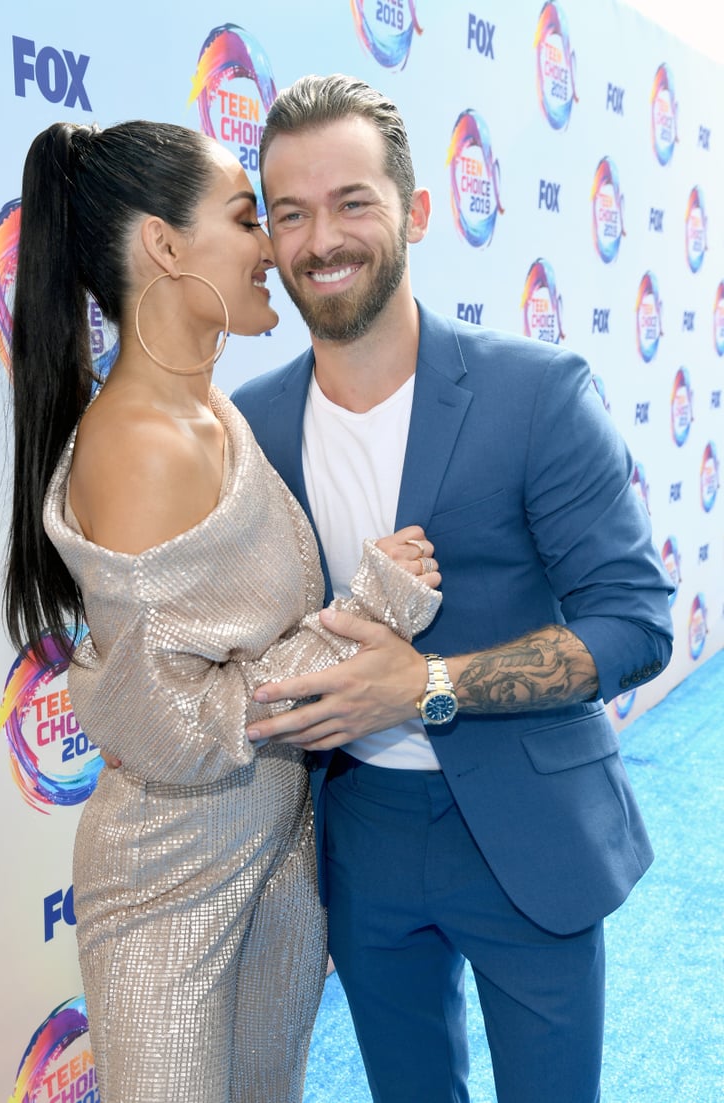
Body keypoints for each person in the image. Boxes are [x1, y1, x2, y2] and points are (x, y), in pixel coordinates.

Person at [231, 75, 675, 1103]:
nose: (320, 239)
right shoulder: (248, 426)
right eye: (289, 212)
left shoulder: (537, 393)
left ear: (418, 211)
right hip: (361, 837)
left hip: (529, 827)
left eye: (352, 202)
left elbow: (635, 622)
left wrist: (429, 681)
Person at [3, 118, 442, 1103]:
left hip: (272, 851)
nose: (274, 249)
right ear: (164, 245)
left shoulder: (215, 409)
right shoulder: (145, 443)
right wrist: (367, 609)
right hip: (173, 880)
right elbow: (178, 724)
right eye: (249, 218)